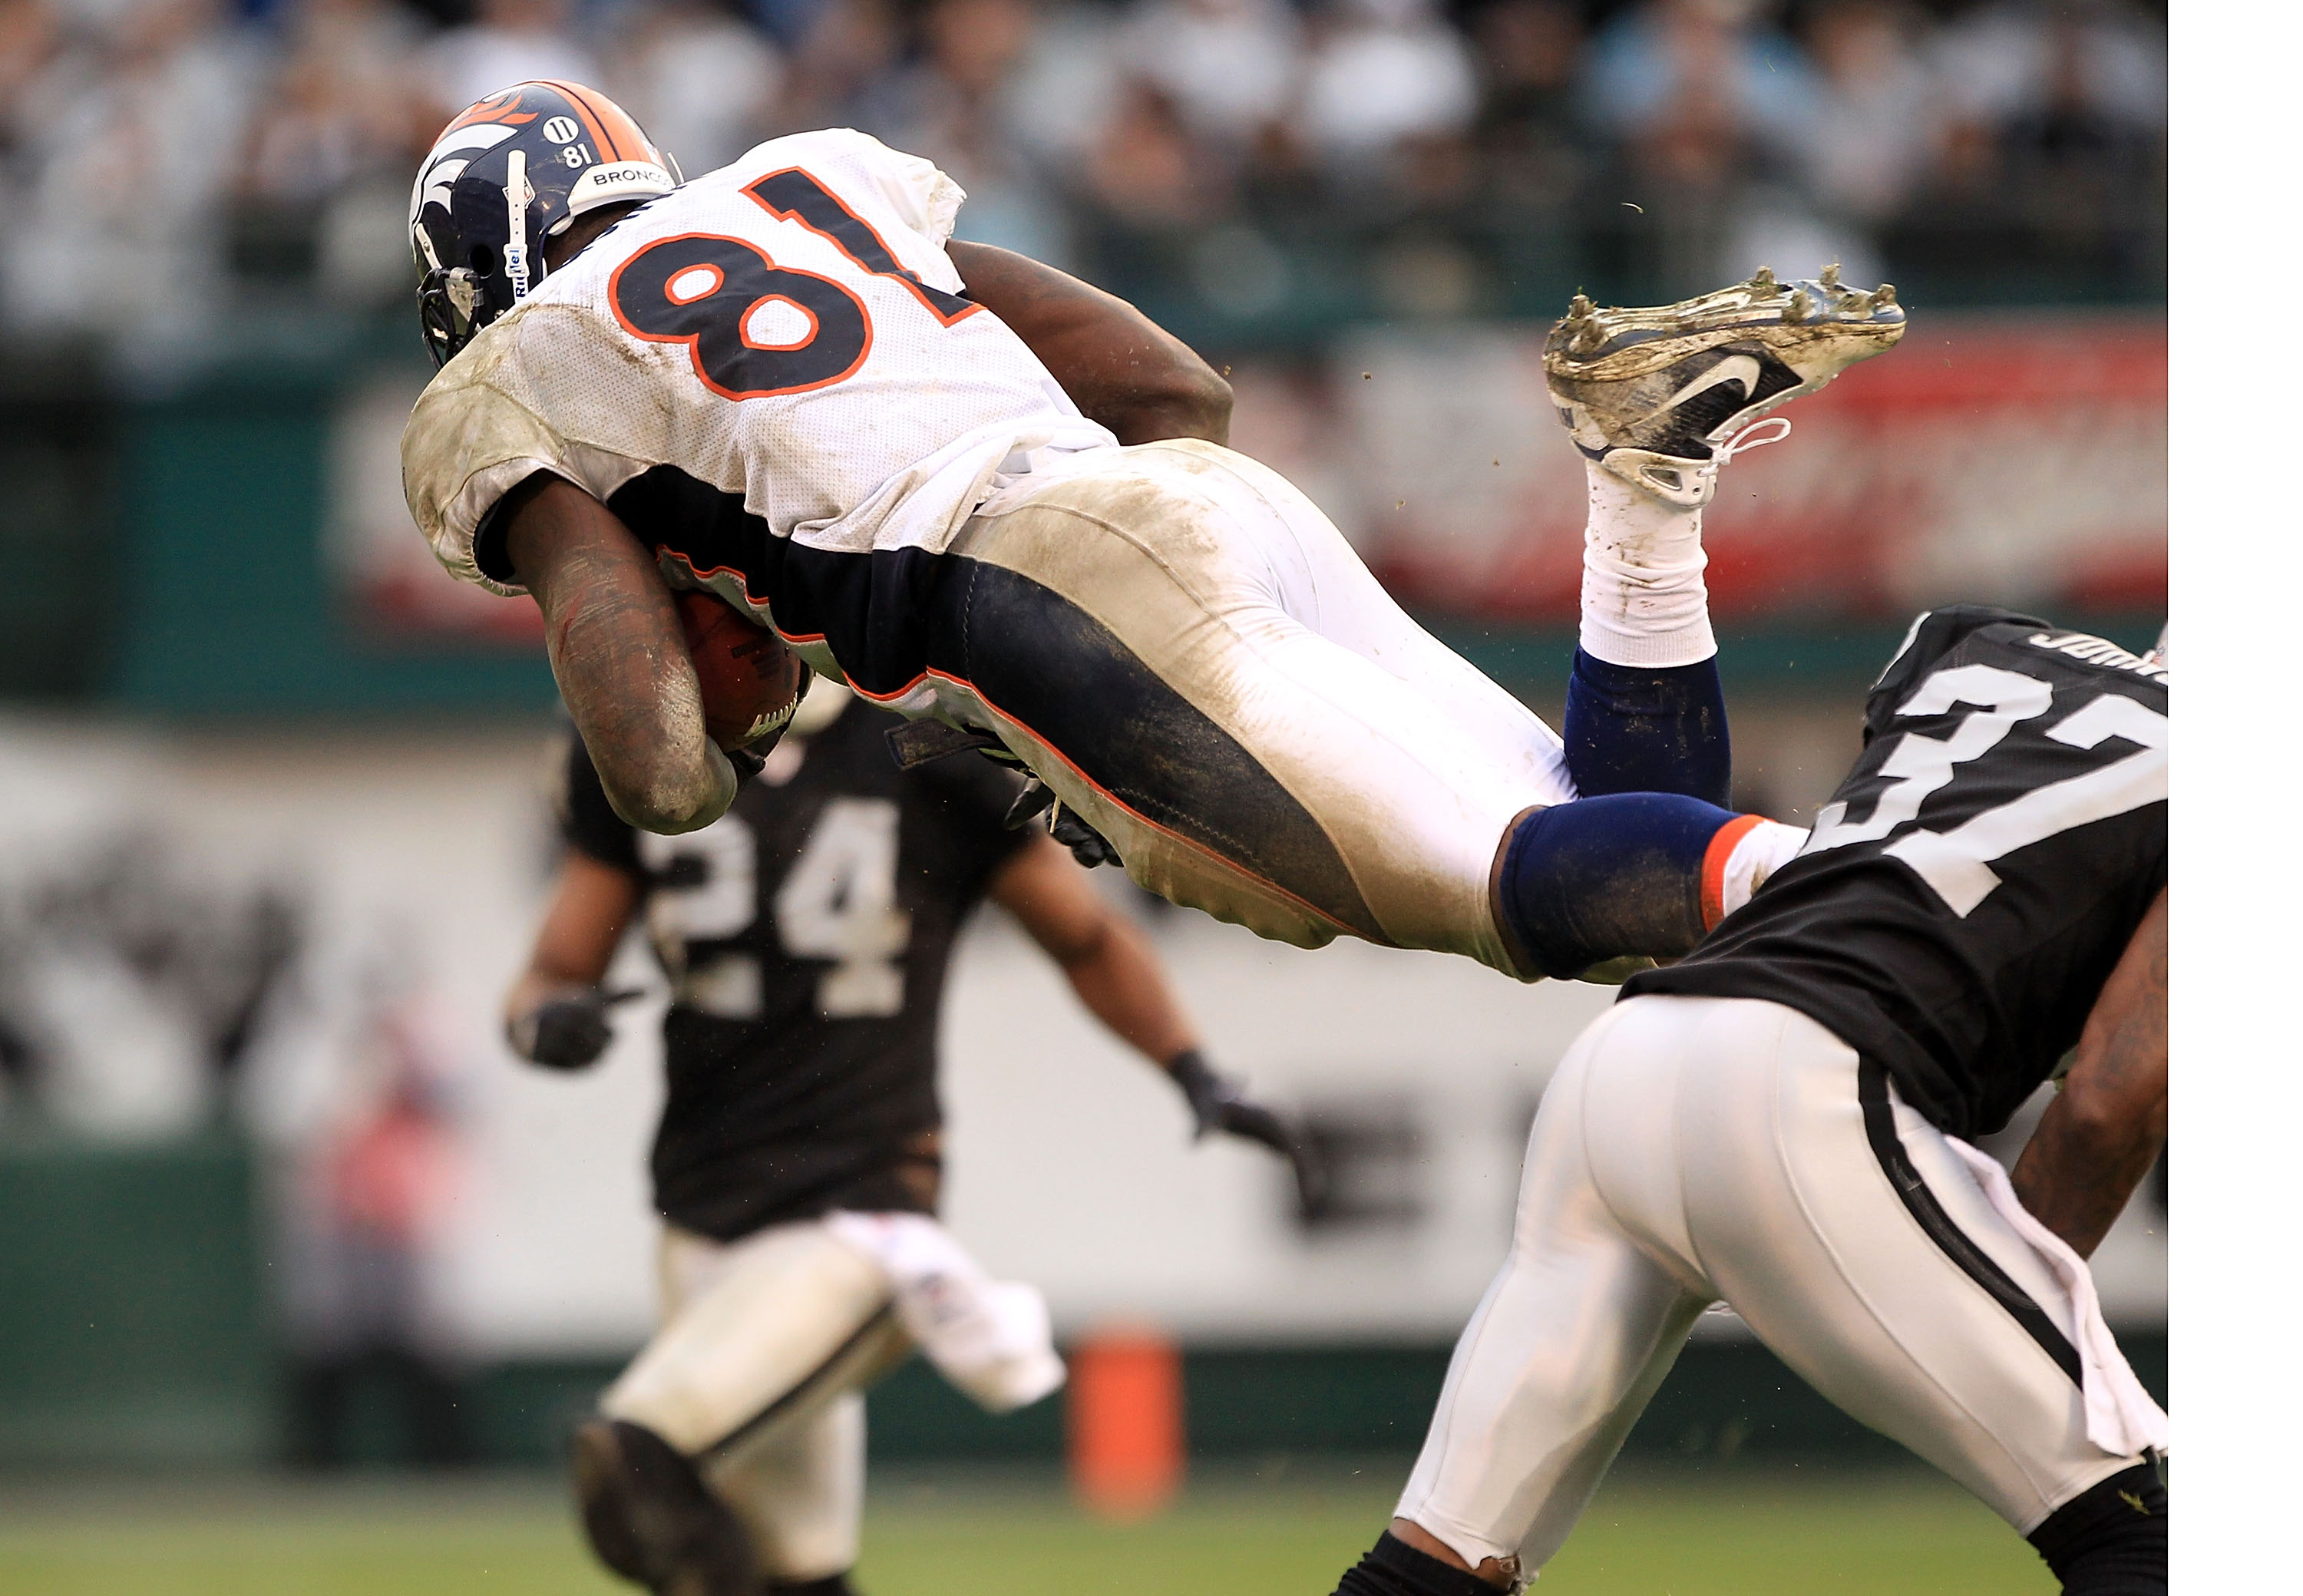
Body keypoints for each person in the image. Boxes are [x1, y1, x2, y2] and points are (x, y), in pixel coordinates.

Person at [399, 80, 1905, 989]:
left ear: (478, 279)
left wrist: (1048, 684)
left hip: (1021, 585)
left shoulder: (511, 373)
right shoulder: (809, 183)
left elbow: (660, 767)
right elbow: (1173, 386)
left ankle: (1928, 885)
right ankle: (1646, 480)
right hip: (1208, 505)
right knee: (1622, 833)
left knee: (1524, 888)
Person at [1329, 606, 2168, 1596]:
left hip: (1628, 1063)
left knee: (1433, 1573)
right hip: (1808, 1086)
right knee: (2165, 1537)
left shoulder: (1982, 643)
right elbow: (2114, 1096)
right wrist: (2009, 1316)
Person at [506, 677, 1314, 1596]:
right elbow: (550, 974)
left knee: (639, 1462)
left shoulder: (920, 742)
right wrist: (547, 1023)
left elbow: (1083, 937)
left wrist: (1193, 1069)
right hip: (696, 1221)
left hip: (857, 1216)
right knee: (800, 1574)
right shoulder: (644, 738)